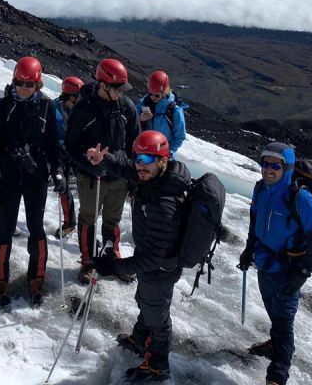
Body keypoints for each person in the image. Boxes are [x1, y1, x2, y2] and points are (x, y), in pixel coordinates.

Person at [92, 131, 190, 383]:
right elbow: (127, 169)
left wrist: (114, 267)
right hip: (152, 263)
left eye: (148, 159)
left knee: (157, 317)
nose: (140, 165)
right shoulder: (153, 179)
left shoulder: (163, 204)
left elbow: (152, 259)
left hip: (161, 268)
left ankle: (159, 366)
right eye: (138, 158)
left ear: (163, 161)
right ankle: (139, 339)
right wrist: (105, 160)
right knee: (145, 301)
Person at [238, 142, 312, 385]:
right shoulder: (261, 189)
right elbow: (255, 220)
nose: (268, 169)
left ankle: (277, 375)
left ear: (286, 168)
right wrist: (249, 248)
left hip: (288, 269)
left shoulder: (300, 199)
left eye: (275, 165)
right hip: (265, 263)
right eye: (265, 164)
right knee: (273, 311)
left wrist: (301, 274)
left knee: (283, 322)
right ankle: (275, 344)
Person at [0, 57, 61, 307]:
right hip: (9, 177)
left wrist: (58, 172)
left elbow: (53, 143)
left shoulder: (47, 107)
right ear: (13, 80)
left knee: (36, 227)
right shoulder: (3, 106)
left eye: (29, 84)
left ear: (38, 84)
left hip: (35, 177)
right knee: (6, 228)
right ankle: (0, 280)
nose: (23, 88)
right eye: (20, 82)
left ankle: (36, 278)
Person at [65, 58, 140, 284]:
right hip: (91, 178)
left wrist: (132, 177)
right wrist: (89, 165)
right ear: (103, 85)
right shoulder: (83, 109)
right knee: (88, 218)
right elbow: (71, 145)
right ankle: (88, 261)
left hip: (118, 176)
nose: (120, 92)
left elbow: (134, 145)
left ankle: (112, 258)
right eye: (116, 88)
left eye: (122, 89)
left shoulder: (126, 107)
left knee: (112, 220)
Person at [51, 76, 83, 238]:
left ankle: (84, 225)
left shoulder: (80, 109)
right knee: (63, 187)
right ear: (70, 96)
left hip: (77, 152)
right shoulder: (54, 108)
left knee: (85, 188)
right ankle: (70, 223)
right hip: (61, 153)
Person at [134, 71, 186, 158]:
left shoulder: (174, 110)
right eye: (150, 94)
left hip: (164, 155)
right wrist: (140, 120)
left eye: (157, 95)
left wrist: (168, 153)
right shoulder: (142, 104)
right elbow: (131, 127)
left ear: (165, 92)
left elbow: (179, 136)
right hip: (144, 152)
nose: (153, 97)